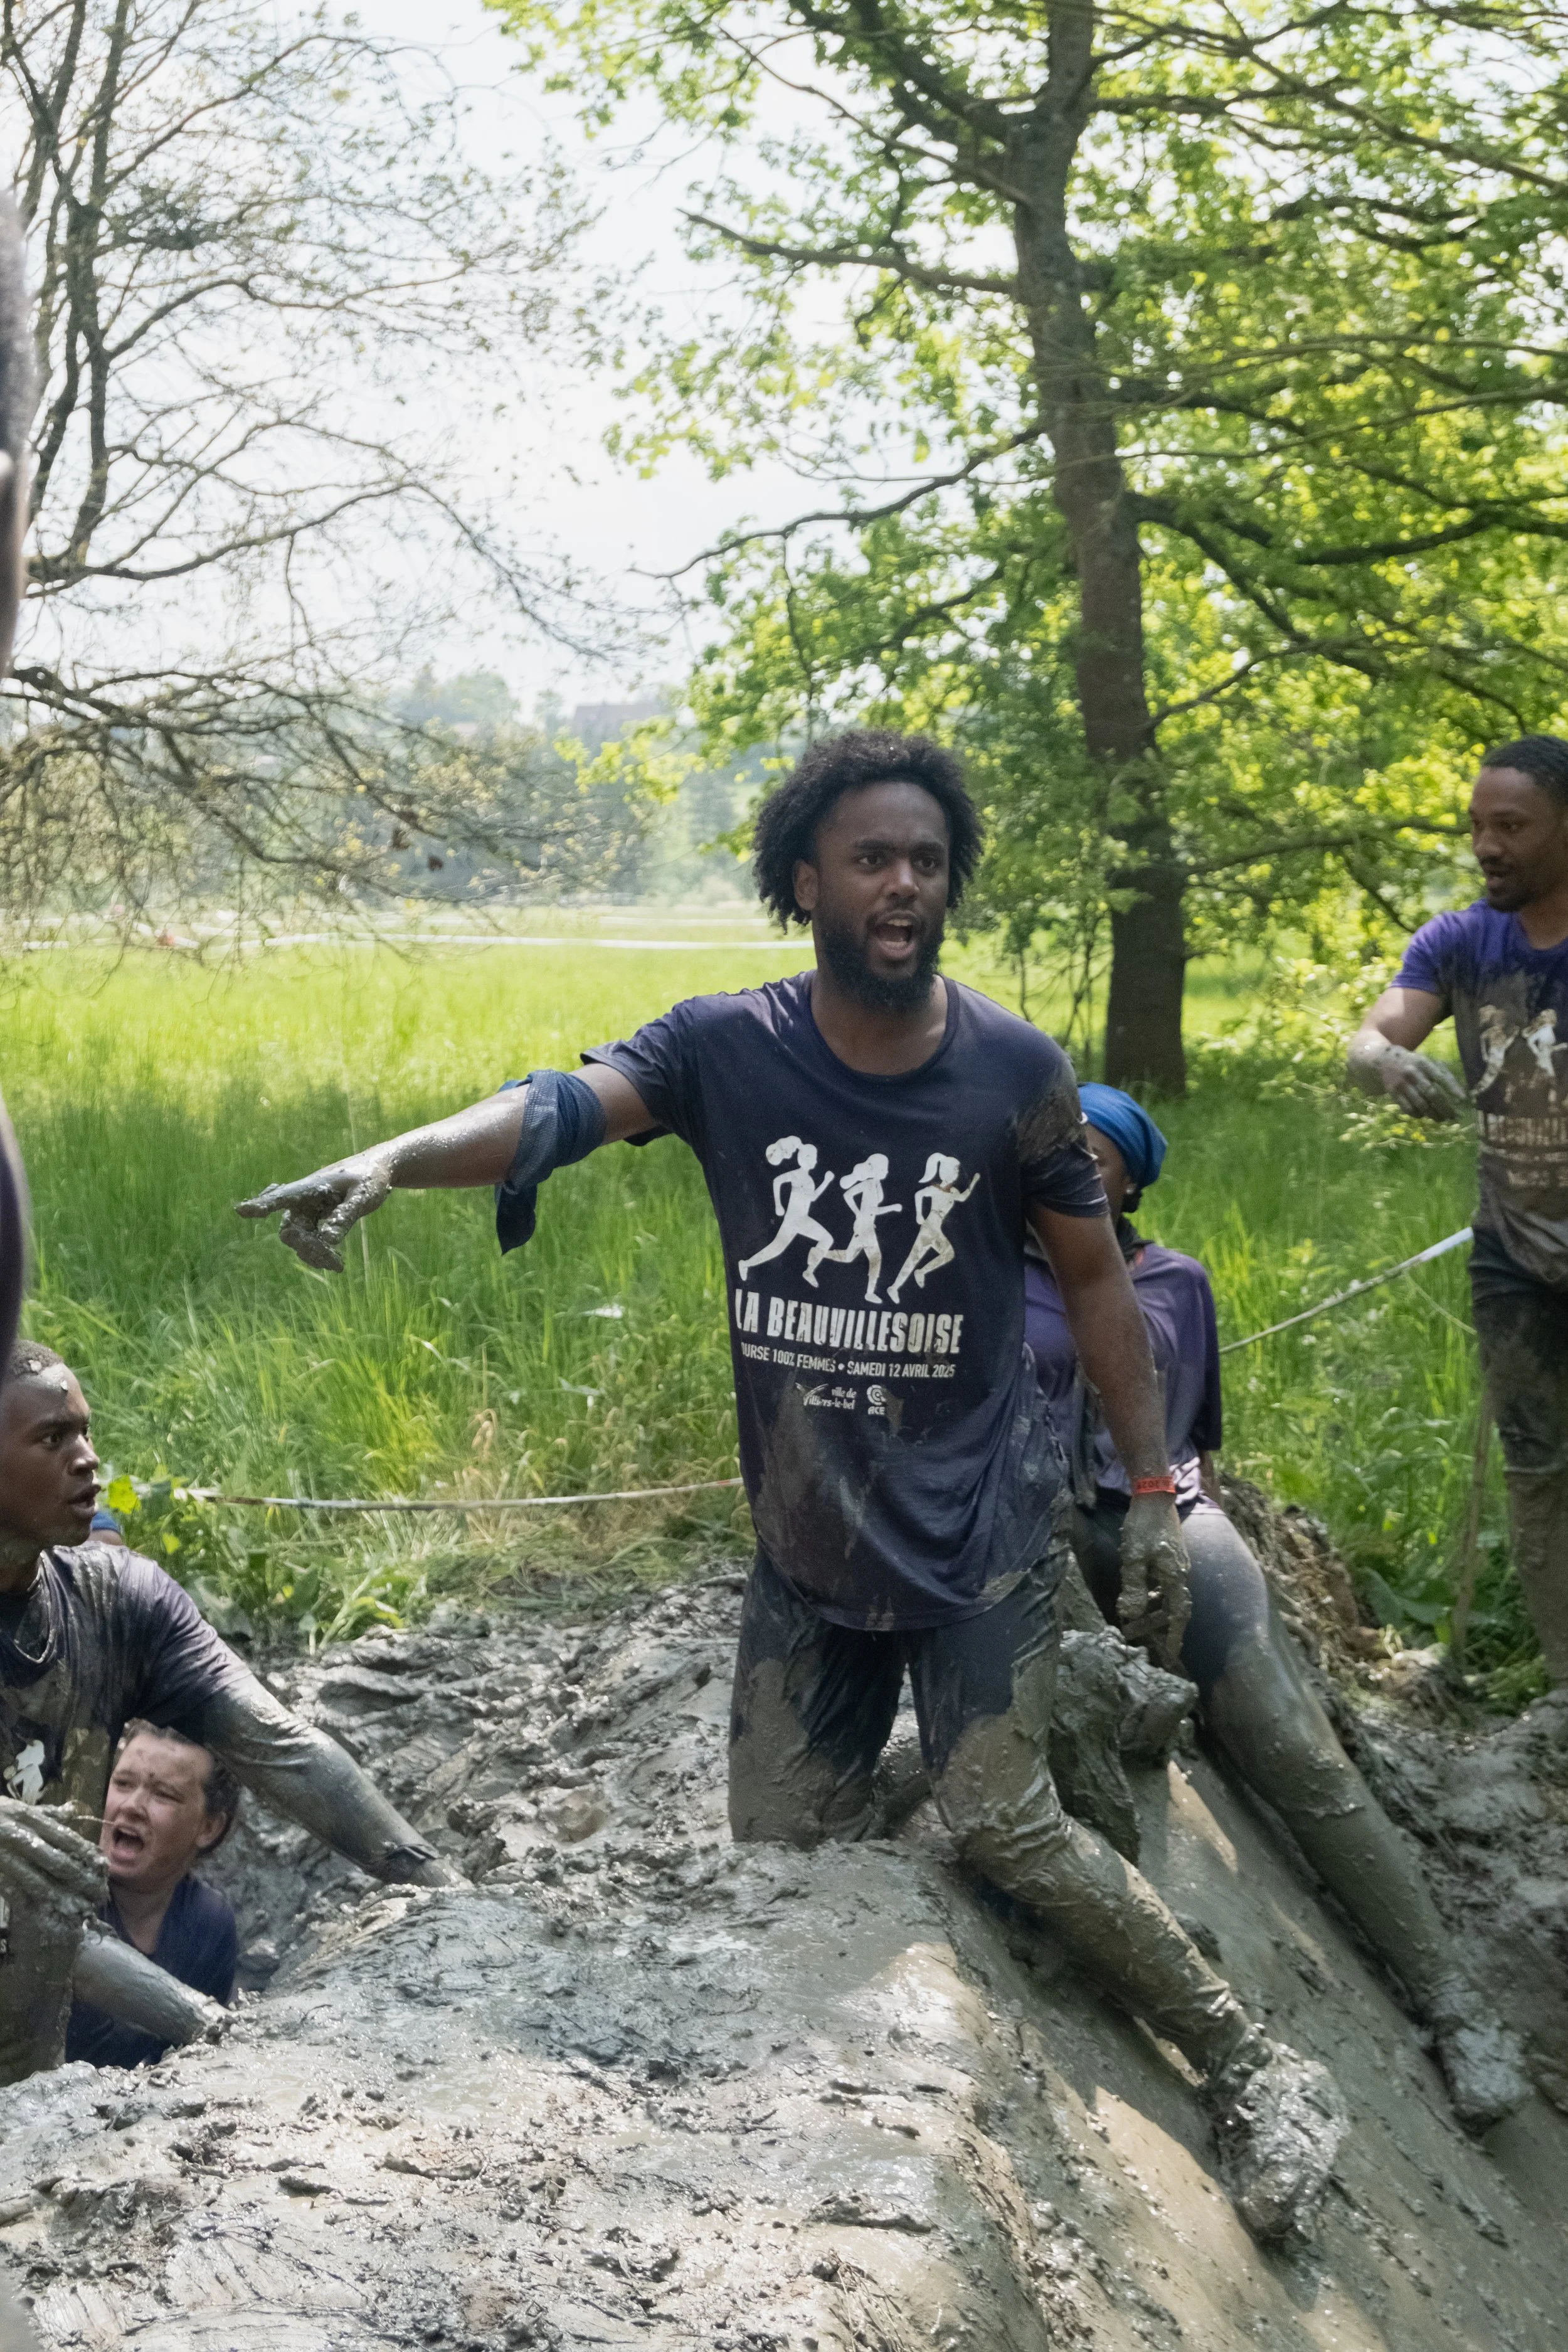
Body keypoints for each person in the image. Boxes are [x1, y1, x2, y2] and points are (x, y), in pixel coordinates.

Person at [238, 726, 1347, 2240]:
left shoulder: (1015, 1072)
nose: (903, 884)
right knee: (781, 1849)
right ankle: (1006, 1742)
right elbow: (561, 1106)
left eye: (927, 862)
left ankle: (1249, 2058)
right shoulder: (725, 1047)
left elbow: (1095, 1278)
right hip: (811, 1538)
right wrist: (392, 1158)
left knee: (1002, 1820)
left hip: (978, 1531)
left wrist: (1151, 1486)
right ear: (806, 879)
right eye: (871, 858)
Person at [1029, 1083, 1530, 2132]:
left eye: (1091, 1151)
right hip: (1040, 1532)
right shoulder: (992, 1270)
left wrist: (1196, 1554)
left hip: (1164, 1513)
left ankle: (1455, 2003)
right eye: (1052, 1145)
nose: (1066, 1163)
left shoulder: (1178, 1282)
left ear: (1129, 1181)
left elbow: (1200, 1441)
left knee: (1291, 1741)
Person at [0, 1340, 452, 2088]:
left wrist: (452, 1896)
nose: (87, 1459)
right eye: (53, 1438)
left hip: (30, 2056)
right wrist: (218, 2034)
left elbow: (286, 1751)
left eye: (85, 1431)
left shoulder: (119, 1602)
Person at [1348, 734, 1568, 1682]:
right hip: (1512, 1257)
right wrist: (1387, 1062)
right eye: (1477, 826)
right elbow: (1371, 1035)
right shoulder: (1458, 943)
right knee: (1536, 1468)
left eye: (1510, 826)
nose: (1486, 846)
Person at [65, 1721, 240, 2070]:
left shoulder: (209, 1926)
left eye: (164, 1795)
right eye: (122, 1783)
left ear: (209, 1828)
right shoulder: (61, 1895)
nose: (131, 1805)